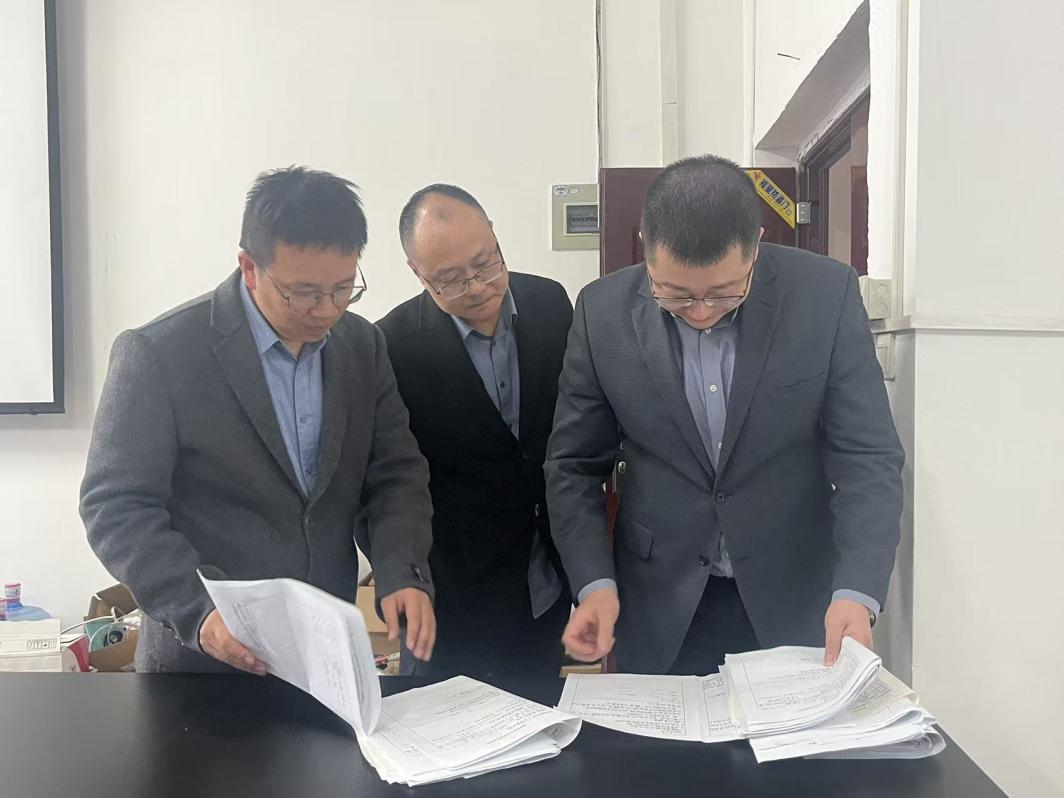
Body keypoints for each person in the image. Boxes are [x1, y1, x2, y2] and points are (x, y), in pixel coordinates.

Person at [546, 155, 904, 675]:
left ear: (755, 245)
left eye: (723, 293)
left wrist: (857, 590)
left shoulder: (824, 296)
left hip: (796, 594)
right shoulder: (602, 312)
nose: (700, 312)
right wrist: (594, 584)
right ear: (646, 246)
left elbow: (867, 457)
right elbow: (572, 466)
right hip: (658, 601)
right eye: (675, 295)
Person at [80, 166, 436, 673]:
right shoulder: (160, 353)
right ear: (249, 267)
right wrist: (200, 612)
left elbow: (394, 474)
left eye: (343, 289)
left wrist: (401, 570)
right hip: (202, 667)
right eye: (305, 293)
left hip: (322, 660)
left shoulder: (362, 346)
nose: (327, 311)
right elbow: (115, 506)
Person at [378, 184, 573, 678]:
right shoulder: (392, 346)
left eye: (486, 264)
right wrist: (403, 576)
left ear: (494, 236)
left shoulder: (551, 305)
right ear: (418, 273)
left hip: (544, 586)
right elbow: (381, 480)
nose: (478, 287)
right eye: (450, 280)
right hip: (451, 602)